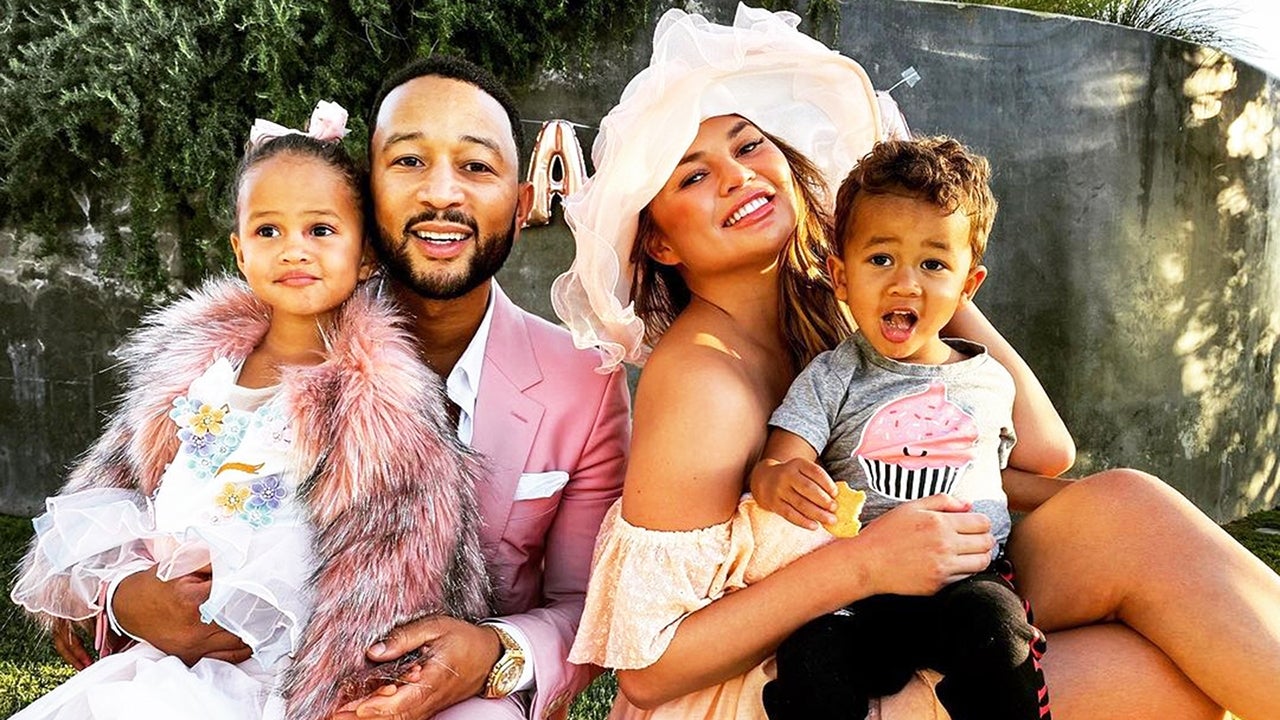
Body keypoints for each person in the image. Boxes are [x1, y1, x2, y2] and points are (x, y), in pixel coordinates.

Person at [558, 5, 1280, 720]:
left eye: (749, 146)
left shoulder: (833, 313)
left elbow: (1044, 449)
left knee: (1130, 508)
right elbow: (650, 672)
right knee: (1164, 678)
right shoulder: (700, 380)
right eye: (692, 177)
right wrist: (864, 563)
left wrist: (922, 261)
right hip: (787, 683)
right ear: (660, 243)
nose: (738, 176)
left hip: (912, 603)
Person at [86, 57, 631, 720]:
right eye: (409, 161)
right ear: (368, 194)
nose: (441, 193)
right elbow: (115, 506)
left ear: (522, 206)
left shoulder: (582, 381)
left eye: (476, 165)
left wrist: (495, 651)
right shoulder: (244, 346)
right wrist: (123, 598)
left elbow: (588, 604)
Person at [11, 101, 492, 720]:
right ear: (239, 252)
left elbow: (400, 559)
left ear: (366, 255)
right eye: (269, 232)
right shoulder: (194, 372)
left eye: (320, 231)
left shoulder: (383, 402)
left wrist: (345, 684)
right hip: (165, 665)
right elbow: (120, 489)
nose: (294, 251)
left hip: (281, 675)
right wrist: (120, 594)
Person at [752, 136, 1048, 720]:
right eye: (881, 259)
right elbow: (778, 462)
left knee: (999, 633)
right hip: (860, 589)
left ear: (967, 286)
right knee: (810, 660)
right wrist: (779, 479)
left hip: (967, 579)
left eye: (933, 264)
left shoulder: (990, 381)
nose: (905, 283)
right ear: (840, 277)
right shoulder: (833, 375)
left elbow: (1004, 475)